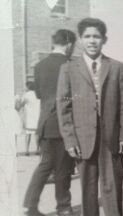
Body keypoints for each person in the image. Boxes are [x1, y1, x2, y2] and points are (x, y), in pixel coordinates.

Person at [56, 18, 123, 216]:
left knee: (112, 188)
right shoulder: (69, 68)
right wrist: (70, 139)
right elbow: (63, 106)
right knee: (88, 191)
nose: (92, 41)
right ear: (80, 40)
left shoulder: (116, 67)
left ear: (104, 39)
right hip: (83, 139)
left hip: (111, 138)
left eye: (96, 36)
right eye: (87, 36)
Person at [23, 29, 76, 216]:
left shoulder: (39, 66)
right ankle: (64, 207)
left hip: (44, 124)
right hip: (64, 124)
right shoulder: (71, 65)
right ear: (69, 44)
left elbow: (38, 94)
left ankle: (30, 205)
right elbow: (74, 97)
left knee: (45, 165)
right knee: (63, 168)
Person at [20, 81, 40, 155]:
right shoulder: (37, 94)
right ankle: (37, 150)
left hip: (29, 117)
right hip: (37, 116)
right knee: (37, 134)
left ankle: (27, 150)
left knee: (28, 134)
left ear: (28, 87)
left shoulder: (27, 95)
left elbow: (21, 104)